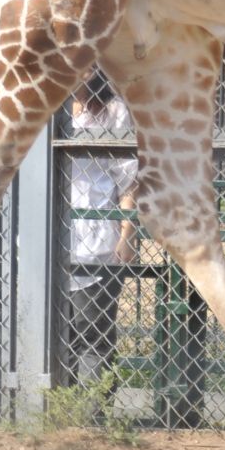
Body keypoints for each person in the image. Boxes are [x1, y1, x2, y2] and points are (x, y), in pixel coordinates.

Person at [64, 72, 138, 393]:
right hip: (49, 244)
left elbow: (128, 180)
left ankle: (93, 419)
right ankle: (56, 417)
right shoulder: (45, 104)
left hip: (97, 243)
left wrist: (127, 234)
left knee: (93, 337)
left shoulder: (113, 111)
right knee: (57, 340)